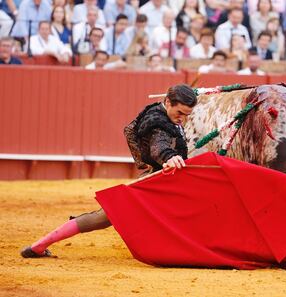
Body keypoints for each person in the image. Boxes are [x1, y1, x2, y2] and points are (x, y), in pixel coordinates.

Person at [20, 84, 198, 258]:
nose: (182, 118)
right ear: (168, 102)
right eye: (179, 113)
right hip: (156, 181)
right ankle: (39, 245)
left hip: (160, 178)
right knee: (104, 217)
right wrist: (168, 156)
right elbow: (158, 147)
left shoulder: (159, 113)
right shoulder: (158, 123)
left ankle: (39, 245)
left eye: (187, 115)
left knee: (106, 216)